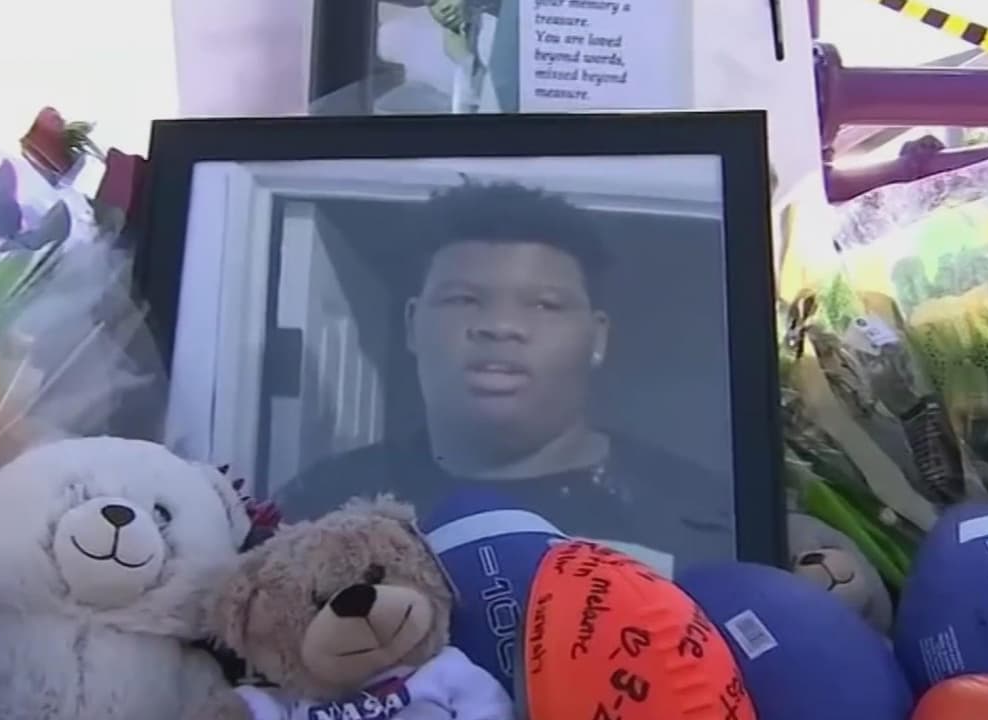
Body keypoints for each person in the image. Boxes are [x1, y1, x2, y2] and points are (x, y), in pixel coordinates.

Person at [274, 180, 733, 574]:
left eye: (544, 304)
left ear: (596, 338)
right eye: (463, 299)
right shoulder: (322, 506)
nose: (500, 325)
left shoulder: (701, 517)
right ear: (412, 325)